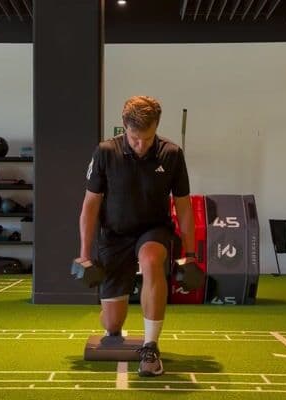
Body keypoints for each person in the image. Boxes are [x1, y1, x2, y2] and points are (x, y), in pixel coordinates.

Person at [79, 95, 195, 377]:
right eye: (134, 138)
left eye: (147, 138)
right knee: (112, 323)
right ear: (124, 126)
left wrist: (190, 255)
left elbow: (183, 207)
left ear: (156, 127)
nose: (141, 145)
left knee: (151, 260)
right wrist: (84, 255)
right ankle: (112, 320)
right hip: (115, 236)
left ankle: (150, 347)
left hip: (153, 230)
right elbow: (90, 205)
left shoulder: (171, 154)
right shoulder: (106, 152)